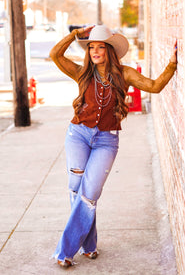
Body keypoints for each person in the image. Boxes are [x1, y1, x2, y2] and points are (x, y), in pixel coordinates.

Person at [49, 24, 177, 268]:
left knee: (90, 194)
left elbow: (155, 86)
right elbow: (55, 55)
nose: (95, 51)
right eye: (91, 47)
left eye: (100, 47)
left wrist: (171, 64)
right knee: (77, 190)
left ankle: (64, 250)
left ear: (109, 50)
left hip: (106, 141)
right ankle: (89, 246)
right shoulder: (82, 73)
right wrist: (75, 35)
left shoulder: (125, 74)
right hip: (78, 135)